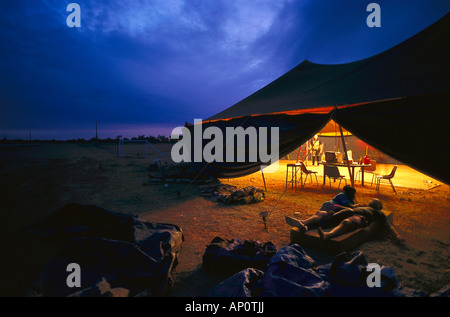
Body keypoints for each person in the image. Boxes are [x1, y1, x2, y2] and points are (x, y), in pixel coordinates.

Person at [317, 199, 401, 242]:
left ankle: (328, 235)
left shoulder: (378, 213)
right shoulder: (361, 206)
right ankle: (319, 223)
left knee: (346, 222)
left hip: (360, 217)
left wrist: (396, 236)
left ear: (379, 207)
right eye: (372, 201)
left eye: (376, 202)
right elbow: (348, 205)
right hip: (349, 212)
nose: (373, 202)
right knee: (334, 211)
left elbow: (388, 226)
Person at [286, 185, 358, 232]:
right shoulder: (343, 194)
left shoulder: (350, 200)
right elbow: (350, 206)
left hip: (329, 208)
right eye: (353, 193)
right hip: (331, 205)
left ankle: (304, 224)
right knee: (347, 210)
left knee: (321, 216)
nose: (354, 195)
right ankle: (303, 223)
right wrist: (361, 206)